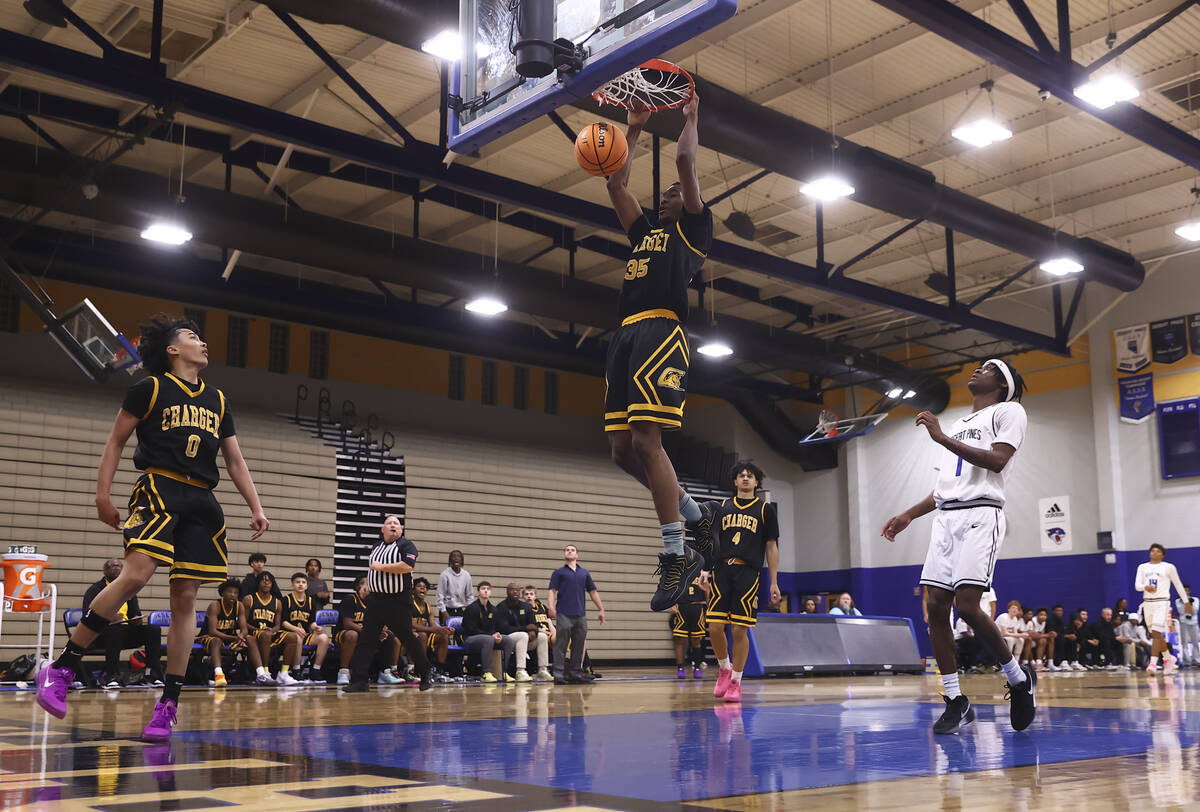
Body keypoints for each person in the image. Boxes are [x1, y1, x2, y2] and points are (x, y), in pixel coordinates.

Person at [37, 314, 269, 742]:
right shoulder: (151, 388)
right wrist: (102, 495)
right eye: (192, 336)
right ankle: (63, 667)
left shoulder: (218, 400)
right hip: (158, 486)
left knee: (185, 600)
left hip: (202, 501)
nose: (202, 342)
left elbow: (234, 460)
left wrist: (255, 506)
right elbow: (116, 442)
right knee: (136, 575)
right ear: (172, 349)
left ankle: (169, 704)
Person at [881, 358, 1035, 735]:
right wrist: (908, 515)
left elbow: (998, 461)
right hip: (946, 518)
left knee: (967, 606)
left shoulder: (1010, 411)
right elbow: (943, 489)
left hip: (982, 514)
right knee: (935, 608)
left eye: (987, 368)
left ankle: (1018, 680)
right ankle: (955, 699)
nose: (977, 370)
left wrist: (941, 438)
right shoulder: (956, 425)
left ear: (1002, 383)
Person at [603, 92, 711, 612]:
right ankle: (694, 515)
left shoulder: (692, 233)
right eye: (665, 193)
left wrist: (691, 118)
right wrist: (635, 126)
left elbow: (686, 161)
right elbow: (616, 183)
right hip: (625, 334)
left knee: (648, 440)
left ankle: (676, 553)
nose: (668, 195)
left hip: (661, 333)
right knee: (622, 451)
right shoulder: (644, 233)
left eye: (675, 193)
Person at [705, 461, 780, 704]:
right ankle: (724, 668)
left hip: (748, 572)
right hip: (721, 569)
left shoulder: (765, 510)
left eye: (750, 476)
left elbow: (771, 546)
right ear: (735, 481)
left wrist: (774, 581)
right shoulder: (723, 507)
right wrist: (705, 568)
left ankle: (736, 681)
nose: (746, 478)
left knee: (739, 628)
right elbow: (713, 541)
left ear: (757, 482)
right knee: (715, 626)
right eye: (741, 475)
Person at [344, 515, 431, 692]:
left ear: (401, 530)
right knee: (366, 640)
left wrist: (381, 568)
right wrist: (370, 584)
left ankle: (425, 672)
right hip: (376, 600)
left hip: (398, 600)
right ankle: (360, 680)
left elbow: (407, 566)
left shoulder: (406, 545)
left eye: (396, 524)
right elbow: (373, 570)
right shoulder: (376, 547)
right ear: (382, 530)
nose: (393, 526)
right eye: (389, 523)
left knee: (407, 638)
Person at [81, 558, 164, 688]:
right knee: (116, 630)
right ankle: (111, 676)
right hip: (101, 634)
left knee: (153, 630)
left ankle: (154, 676)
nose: (117, 568)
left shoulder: (129, 590)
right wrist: (108, 618)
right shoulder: (95, 589)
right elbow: (87, 615)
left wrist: (137, 621)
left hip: (124, 632)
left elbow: (134, 615)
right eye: (113, 566)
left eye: (120, 566)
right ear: (105, 571)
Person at [548, 545, 606, 684]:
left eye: (572, 550)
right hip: (563, 613)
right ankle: (558, 675)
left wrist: (601, 609)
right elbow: (552, 590)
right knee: (561, 645)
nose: (569, 551)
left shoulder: (584, 573)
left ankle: (575, 673)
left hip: (580, 614)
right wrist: (551, 606)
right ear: (564, 554)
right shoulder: (559, 572)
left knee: (578, 645)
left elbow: (593, 592)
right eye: (567, 550)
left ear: (577, 555)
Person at [1135, 542, 1188, 673]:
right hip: (1147, 603)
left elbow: (1178, 585)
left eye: (1158, 551)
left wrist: (1186, 602)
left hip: (1162, 602)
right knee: (1154, 634)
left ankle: (1152, 664)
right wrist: (1145, 587)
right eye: (1152, 551)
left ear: (1163, 555)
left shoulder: (1168, 567)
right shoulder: (1142, 567)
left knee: (1156, 633)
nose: (1155, 553)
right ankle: (1168, 657)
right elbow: (1137, 586)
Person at [245, 572, 298, 685]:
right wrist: (258, 630)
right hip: (253, 632)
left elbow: (278, 625)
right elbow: (243, 622)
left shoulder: (277, 602)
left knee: (293, 637)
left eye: (269, 581)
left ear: (272, 584)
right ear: (258, 582)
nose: (266, 583)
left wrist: (273, 630)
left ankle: (283, 673)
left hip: (270, 633)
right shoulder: (249, 599)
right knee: (265, 635)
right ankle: (265, 671)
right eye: (263, 580)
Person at [196, 579, 251, 687]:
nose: (232, 595)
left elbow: (244, 629)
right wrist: (234, 638)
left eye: (235, 593)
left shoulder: (239, 606)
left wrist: (241, 636)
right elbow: (212, 632)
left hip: (228, 638)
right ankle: (219, 675)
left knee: (251, 639)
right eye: (229, 592)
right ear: (222, 593)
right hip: (208, 637)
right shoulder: (215, 605)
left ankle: (260, 673)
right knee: (216, 641)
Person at [495, 582, 551, 682]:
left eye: (517, 589)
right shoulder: (501, 607)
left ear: (520, 592)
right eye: (512, 589)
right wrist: (526, 628)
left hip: (525, 640)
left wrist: (534, 632)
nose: (515, 591)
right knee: (523, 635)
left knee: (542, 636)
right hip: (508, 640)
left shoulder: (526, 607)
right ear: (507, 592)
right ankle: (520, 671)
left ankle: (543, 670)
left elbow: (533, 625)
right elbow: (504, 629)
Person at [282, 572, 331, 683]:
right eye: (297, 582)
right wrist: (296, 629)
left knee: (324, 638)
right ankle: (296, 670)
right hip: (288, 635)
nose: (300, 584)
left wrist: (316, 627)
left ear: (306, 586)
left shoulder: (310, 601)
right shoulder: (286, 600)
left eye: (303, 582)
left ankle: (315, 670)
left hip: (304, 634)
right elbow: (283, 622)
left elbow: (311, 622)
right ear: (292, 585)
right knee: (298, 636)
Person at [411, 578, 454, 682]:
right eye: (419, 586)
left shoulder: (428, 607)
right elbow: (412, 625)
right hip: (411, 634)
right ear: (412, 590)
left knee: (443, 636)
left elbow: (433, 625)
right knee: (422, 635)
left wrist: (444, 629)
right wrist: (432, 629)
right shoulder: (409, 604)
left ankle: (439, 670)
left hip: (424, 634)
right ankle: (421, 670)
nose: (422, 588)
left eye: (425, 587)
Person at [461, 582, 506, 683]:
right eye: (483, 588)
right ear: (478, 592)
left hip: (486, 638)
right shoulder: (471, 608)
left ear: (490, 592)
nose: (486, 590)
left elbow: (495, 627)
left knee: (507, 639)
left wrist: (497, 634)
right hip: (470, 638)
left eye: (488, 589)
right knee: (489, 639)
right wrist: (491, 635)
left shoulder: (494, 610)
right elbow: (471, 629)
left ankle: (505, 672)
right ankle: (486, 673)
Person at [670, 576, 708, 679]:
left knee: (696, 640)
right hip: (681, 607)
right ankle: (680, 668)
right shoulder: (678, 570)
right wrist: (671, 604)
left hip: (697, 607)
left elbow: (707, 589)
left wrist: (709, 607)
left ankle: (697, 668)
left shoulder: (701, 571)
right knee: (680, 639)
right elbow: (671, 588)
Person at [437, 550, 473, 624]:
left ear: (462, 560)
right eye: (454, 556)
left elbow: (470, 596)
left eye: (458, 556)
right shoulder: (444, 575)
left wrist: (469, 611)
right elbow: (439, 595)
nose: (456, 558)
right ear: (450, 560)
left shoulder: (466, 575)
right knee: (447, 633)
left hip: (460, 610)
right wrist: (443, 611)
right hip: (447, 610)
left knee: (461, 633)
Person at [1176, 585, 1198, 667]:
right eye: (1183, 591)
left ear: (1189, 591)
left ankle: (1196, 660)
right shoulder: (1178, 601)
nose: (1185, 592)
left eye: (1187, 591)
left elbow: (1195, 611)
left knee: (1195, 642)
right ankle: (1187, 661)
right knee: (1184, 643)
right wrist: (1184, 602)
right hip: (1184, 623)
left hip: (1194, 623)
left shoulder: (1195, 600)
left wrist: (1190, 603)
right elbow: (1181, 612)